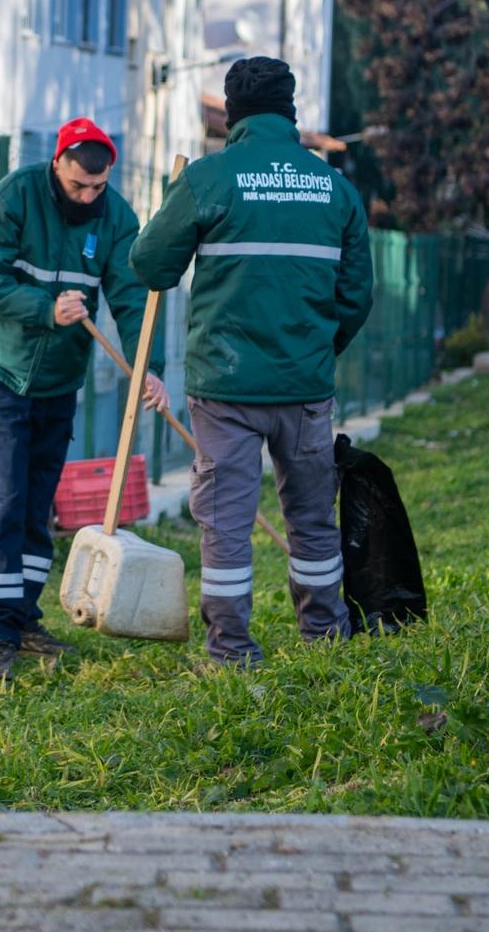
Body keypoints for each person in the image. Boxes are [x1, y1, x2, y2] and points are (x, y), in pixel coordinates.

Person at [130, 56, 374, 667]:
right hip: (304, 383)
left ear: (233, 113)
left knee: (226, 525)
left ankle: (232, 649)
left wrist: (174, 206)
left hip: (226, 386)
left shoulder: (208, 179)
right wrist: (317, 348)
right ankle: (324, 636)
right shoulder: (335, 189)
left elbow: (150, 266)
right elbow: (357, 295)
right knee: (313, 519)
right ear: (290, 112)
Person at [0, 117, 169, 682]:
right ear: (58, 164)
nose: (87, 197)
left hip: (60, 379)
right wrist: (44, 309)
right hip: (1, 370)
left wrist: (147, 368)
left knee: (37, 505)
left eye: (97, 188)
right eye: (79, 186)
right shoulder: (15, 196)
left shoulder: (117, 217)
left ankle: (26, 619)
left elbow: (131, 298)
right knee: (4, 500)